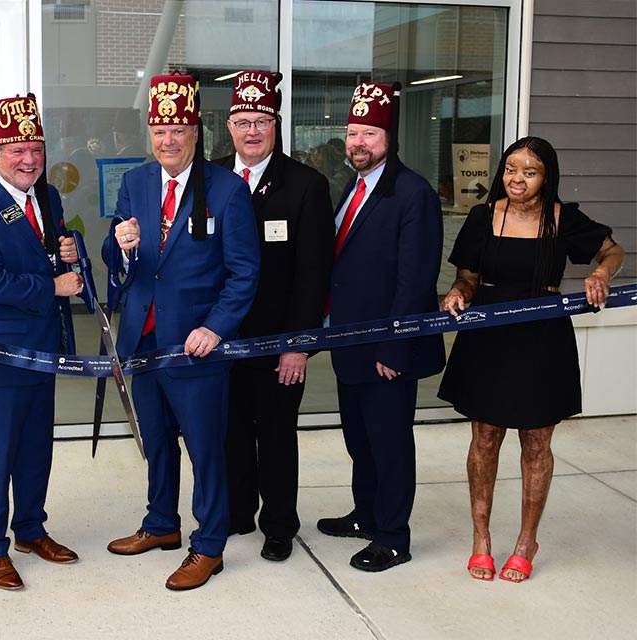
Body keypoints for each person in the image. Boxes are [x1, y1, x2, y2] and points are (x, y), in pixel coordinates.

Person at [438, 136, 624, 583]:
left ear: (546, 177)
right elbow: (468, 276)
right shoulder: (484, 216)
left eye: (529, 171)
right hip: (488, 337)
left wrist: (600, 273)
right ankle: (481, 538)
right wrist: (459, 293)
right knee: (485, 437)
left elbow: (612, 250)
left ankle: (526, 541)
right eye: (511, 169)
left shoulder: (562, 218)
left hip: (542, 340)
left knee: (536, 443)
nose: (517, 179)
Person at [104, 72, 260, 591]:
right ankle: (161, 525)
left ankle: (209, 544)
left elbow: (244, 272)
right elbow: (117, 262)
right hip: (143, 340)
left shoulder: (228, 189)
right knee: (156, 443)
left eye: (178, 129)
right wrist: (120, 245)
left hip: (196, 346)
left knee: (204, 447)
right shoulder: (137, 182)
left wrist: (215, 329)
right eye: (159, 129)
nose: (167, 140)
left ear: (196, 132)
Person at [0, 93, 83, 591]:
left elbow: (48, 256)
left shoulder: (47, 197)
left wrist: (67, 252)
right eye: (16, 150)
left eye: (36, 149)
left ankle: (30, 529)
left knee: (35, 448)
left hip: (44, 347)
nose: (28, 160)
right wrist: (52, 286)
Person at [316, 82, 445, 572]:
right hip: (351, 342)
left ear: (388, 138)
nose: (358, 143)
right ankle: (366, 515)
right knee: (360, 438)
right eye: (352, 133)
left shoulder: (413, 194)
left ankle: (393, 536)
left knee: (389, 445)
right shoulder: (353, 186)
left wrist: (394, 349)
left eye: (368, 133)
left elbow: (415, 282)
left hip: (388, 351)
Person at [213, 70, 335, 562]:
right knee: (231, 430)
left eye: (262, 121)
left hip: (278, 339)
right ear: (228, 126)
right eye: (242, 121)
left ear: (276, 124)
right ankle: (239, 512)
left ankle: (280, 523)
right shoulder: (212, 178)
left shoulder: (306, 185)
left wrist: (298, 344)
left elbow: (313, 274)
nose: (252, 131)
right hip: (222, 339)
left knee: (278, 434)